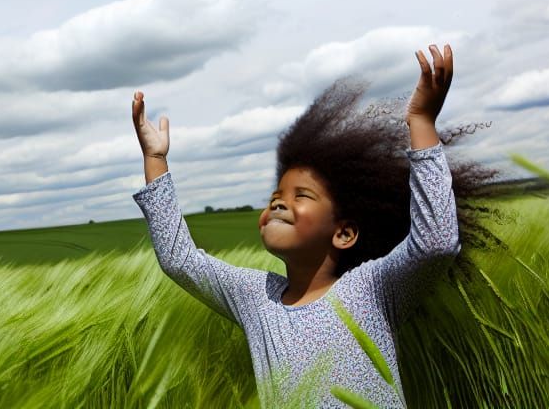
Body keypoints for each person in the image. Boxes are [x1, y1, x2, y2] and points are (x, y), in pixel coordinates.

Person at [131, 43, 502, 408]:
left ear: (343, 233)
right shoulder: (256, 299)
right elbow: (180, 259)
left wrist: (421, 123)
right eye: (276, 195)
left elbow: (436, 243)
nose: (279, 201)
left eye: (301, 196)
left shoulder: (371, 289)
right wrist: (155, 159)